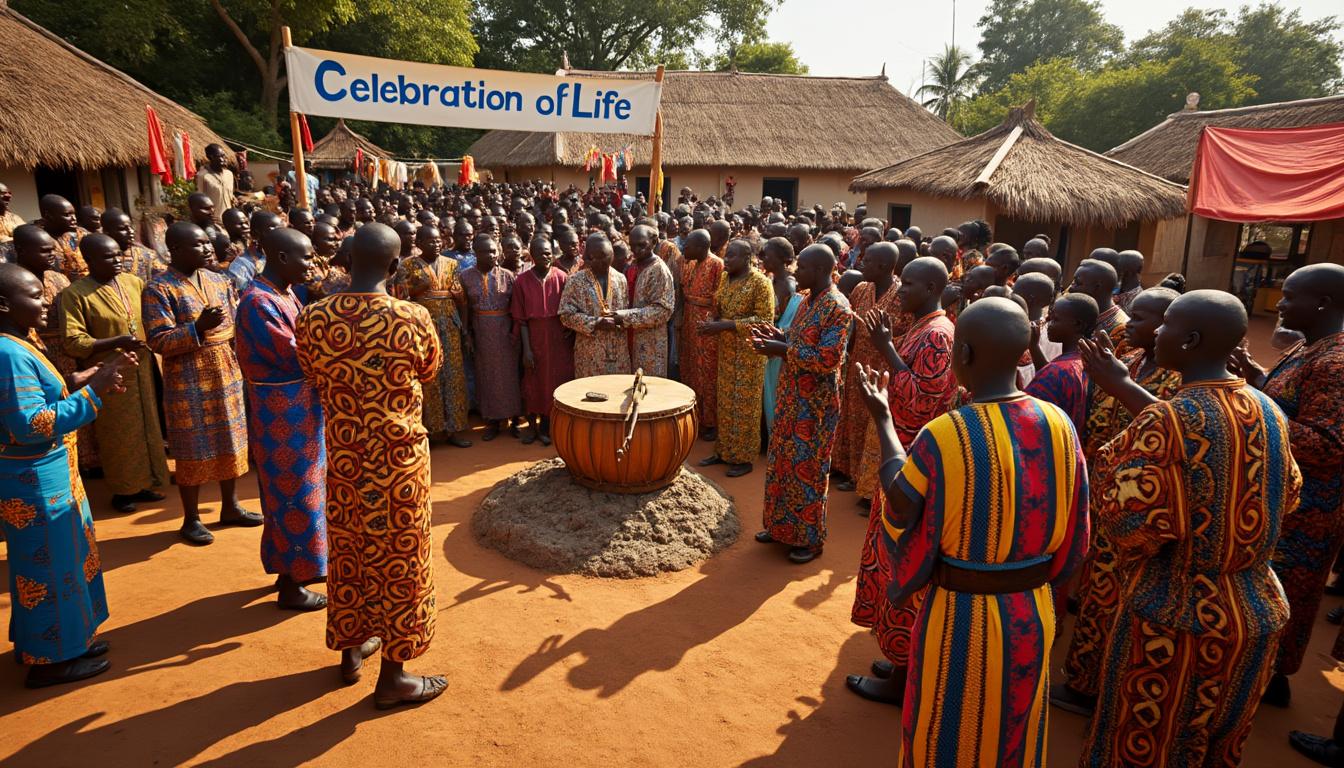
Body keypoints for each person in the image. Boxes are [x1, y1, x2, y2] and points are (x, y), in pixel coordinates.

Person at [852, 295, 1087, 766]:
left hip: (960, 615)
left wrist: (883, 418)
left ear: (962, 353)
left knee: (945, 729)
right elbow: (1077, 520)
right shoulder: (1058, 422)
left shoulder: (946, 433)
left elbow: (901, 505)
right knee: (1013, 730)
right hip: (1032, 611)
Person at [1077, 290, 1300, 766]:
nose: (1157, 331)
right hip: (1256, 611)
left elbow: (1127, 522)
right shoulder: (1267, 408)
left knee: (1141, 746)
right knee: (1214, 749)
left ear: (1191, 340)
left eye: (1168, 324)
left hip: (1174, 617)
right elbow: (1290, 494)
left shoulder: (1169, 419)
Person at [296, 222, 445, 709]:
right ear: (396, 265)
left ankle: (352, 649)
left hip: (345, 460)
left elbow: (309, 371)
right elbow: (430, 369)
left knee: (350, 553)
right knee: (402, 560)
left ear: (346, 259)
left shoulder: (314, 317)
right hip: (398, 464)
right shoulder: (412, 318)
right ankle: (394, 679)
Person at [0, 263, 135, 687]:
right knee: (48, 566)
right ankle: (50, 661)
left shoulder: (19, 341)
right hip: (34, 481)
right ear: (4, 304)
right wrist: (93, 394)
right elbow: (31, 424)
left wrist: (83, 380)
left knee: (69, 558)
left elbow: (43, 395)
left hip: (52, 473)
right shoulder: (7, 353)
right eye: (34, 296)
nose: (46, 303)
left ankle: (70, 641)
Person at [1054, 288, 1182, 716]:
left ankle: (1091, 688)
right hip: (1104, 498)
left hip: (1137, 512)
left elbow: (1172, 432)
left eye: (1141, 318)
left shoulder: (1177, 380)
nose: (1132, 325)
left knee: (1113, 599)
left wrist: (1120, 384)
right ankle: (1086, 678)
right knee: (1096, 593)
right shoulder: (1132, 361)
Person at [846, 256, 959, 705]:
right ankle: (898, 660)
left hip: (915, 466)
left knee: (902, 564)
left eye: (909, 284)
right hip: (901, 457)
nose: (901, 291)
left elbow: (919, 401)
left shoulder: (938, 335)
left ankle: (903, 675)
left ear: (932, 287)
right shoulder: (923, 326)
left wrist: (886, 349)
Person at [1232, 263, 1344, 708]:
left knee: (1287, 593)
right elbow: (1292, 401)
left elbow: (1328, 443)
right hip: (1283, 500)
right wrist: (1258, 379)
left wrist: (1253, 412)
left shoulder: (1336, 363)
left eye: (1291, 295)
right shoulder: (1311, 345)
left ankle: (1271, 678)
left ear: (1323, 303)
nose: (1279, 302)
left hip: (1307, 512)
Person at [143, 222, 258, 545]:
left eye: (208, 242)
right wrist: (198, 327)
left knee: (230, 438)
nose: (208, 248)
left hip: (226, 370)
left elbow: (234, 325)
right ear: (175, 250)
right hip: (187, 376)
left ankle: (231, 506)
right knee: (191, 445)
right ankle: (191, 518)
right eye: (198, 244)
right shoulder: (158, 289)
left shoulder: (219, 280)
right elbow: (158, 339)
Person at [235, 228, 327, 611]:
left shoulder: (283, 293)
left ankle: (291, 570)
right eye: (306, 256)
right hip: (282, 413)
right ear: (283, 257)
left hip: (298, 408)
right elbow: (295, 353)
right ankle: (294, 585)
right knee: (294, 493)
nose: (312, 263)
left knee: (296, 491)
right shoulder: (258, 302)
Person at [751, 244, 851, 565]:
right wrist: (778, 336)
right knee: (781, 462)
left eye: (803, 267)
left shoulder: (838, 308)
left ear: (821, 270)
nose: (797, 271)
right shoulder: (808, 300)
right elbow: (801, 339)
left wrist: (782, 350)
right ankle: (780, 527)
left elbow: (828, 358)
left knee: (808, 470)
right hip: (791, 395)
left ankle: (809, 539)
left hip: (815, 405)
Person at [60, 234, 168, 513]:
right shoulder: (76, 294)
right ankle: (123, 490)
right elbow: (73, 341)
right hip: (109, 373)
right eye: (108, 256)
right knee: (117, 433)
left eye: (118, 254)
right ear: (89, 260)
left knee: (147, 426)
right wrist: (116, 341)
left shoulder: (134, 282)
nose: (117, 260)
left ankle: (146, 482)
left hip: (142, 369)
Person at [697, 239, 773, 477]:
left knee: (744, 407)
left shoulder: (760, 283)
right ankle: (723, 451)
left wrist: (726, 325)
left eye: (732, 256)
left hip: (749, 355)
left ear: (747, 258)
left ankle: (743, 458)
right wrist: (711, 322)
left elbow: (764, 321)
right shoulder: (725, 278)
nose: (726, 259)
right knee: (725, 402)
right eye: (726, 254)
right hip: (727, 351)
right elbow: (719, 307)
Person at [833, 243, 904, 494]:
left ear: (883, 266)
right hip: (858, 362)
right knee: (852, 417)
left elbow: (904, 335)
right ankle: (850, 470)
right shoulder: (861, 289)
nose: (862, 262)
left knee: (873, 422)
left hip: (883, 368)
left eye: (868, 260)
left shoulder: (901, 296)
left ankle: (867, 482)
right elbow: (851, 326)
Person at [402, 225, 471, 447]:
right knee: (429, 376)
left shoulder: (451, 264)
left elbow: (461, 298)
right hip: (424, 327)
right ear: (419, 243)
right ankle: (433, 430)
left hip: (450, 324)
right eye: (431, 241)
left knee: (454, 375)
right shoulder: (407, 266)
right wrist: (417, 289)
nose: (436, 244)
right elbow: (400, 297)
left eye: (439, 240)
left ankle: (455, 429)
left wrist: (464, 328)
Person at [511, 235, 573, 446]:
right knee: (532, 381)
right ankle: (532, 427)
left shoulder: (562, 277)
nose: (545, 257)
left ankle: (547, 426)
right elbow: (521, 319)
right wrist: (527, 349)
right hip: (534, 336)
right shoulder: (521, 281)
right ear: (532, 256)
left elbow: (569, 310)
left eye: (548, 253)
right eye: (540, 253)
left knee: (554, 381)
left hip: (557, 338)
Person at [461, 234, 521, 440]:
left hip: (506, 333)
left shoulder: (508, 275)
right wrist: (467, 334)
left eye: (494, 251)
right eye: (487, 251)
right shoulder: (466, 276)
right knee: (486, 376)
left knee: (510, 376)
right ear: (476, 253)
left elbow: (516, 308)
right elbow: (465, 308)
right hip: (481, 332)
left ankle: (514, 420)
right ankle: (493, 421)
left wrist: (515, 333)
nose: (492, 255)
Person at [1024, 292, 1096, 435]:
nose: (1048, 324)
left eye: (1055, 319)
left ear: (1077, 324)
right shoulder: (1088, 359)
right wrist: (1034, 346)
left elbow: (1025, 416)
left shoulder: (1060, 370)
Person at [560, 234, 630, 377]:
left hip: (618, 351)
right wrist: (596, 322)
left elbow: (625, 309)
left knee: (618, 388)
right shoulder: (576, 281)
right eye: (601, 257)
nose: (606, 261)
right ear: (590, 258)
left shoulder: (620, 279)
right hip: (589, 353)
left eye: (608, 256)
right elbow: (565, 315)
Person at [680, 229, 723, 439]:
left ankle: (710, 422)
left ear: (700, 247)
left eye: (688, 246)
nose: (684, 249)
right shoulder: (689, 264)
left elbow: (720, 299)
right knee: (691, 369)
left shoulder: (717, 265)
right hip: (689, 322)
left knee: (707, 372)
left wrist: (713, 321)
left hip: (707, 326)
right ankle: (695, 416)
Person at [619, 225, 675, 376]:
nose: (636, 250)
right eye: (632, 246)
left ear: (654, 242)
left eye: (641, 245)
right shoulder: (634, 265)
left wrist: (626, 316)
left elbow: (663, 311)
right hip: (631, 335)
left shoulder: (659, 270)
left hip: (651, 341)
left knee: (648, 382)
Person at [761, 238, 800, 434]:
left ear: (782, 259)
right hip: (768, 343)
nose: (763, 259)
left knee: (774, 395)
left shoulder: (788, 286)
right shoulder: (771, 280)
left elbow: (786, 322)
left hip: (777, 348)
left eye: (768, 255)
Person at [1070, 258, 1129, 355]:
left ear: (1097, 287)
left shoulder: (1121, 330)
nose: (1071, 288)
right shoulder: (1081, 314)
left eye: (1078, 283)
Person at [1012, 272, 1060, 383]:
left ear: (1031, 299)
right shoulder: (1051, 330)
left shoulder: (1049, 336)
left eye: (1015, 292)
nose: (1011, 295)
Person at [228, 210, 281, 291]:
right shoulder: (242, 265)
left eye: (281, 229)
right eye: (274, 229)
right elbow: (241, 294)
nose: (281, 233)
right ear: (257, 233)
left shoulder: (282, 255)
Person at [101, 208, 158, 283]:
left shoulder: (147, 255)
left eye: (131, 227)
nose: (131, 231)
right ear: (106, 232)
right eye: (122, 229)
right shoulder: (99, 259)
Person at [37, 195, 87, 280]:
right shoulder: (40, 240)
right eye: (67, 215)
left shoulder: (81, 234)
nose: (74, 218)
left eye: (74, 214)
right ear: (48, 216)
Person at [195, 143, 235, 226]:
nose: (224, 159)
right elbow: (199, 201)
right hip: (214, 222)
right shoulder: (202, 176)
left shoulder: (229, 174)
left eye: (224, 156)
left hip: (230, 221)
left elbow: (230, 196)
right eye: (220, 156)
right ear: (211, 157)